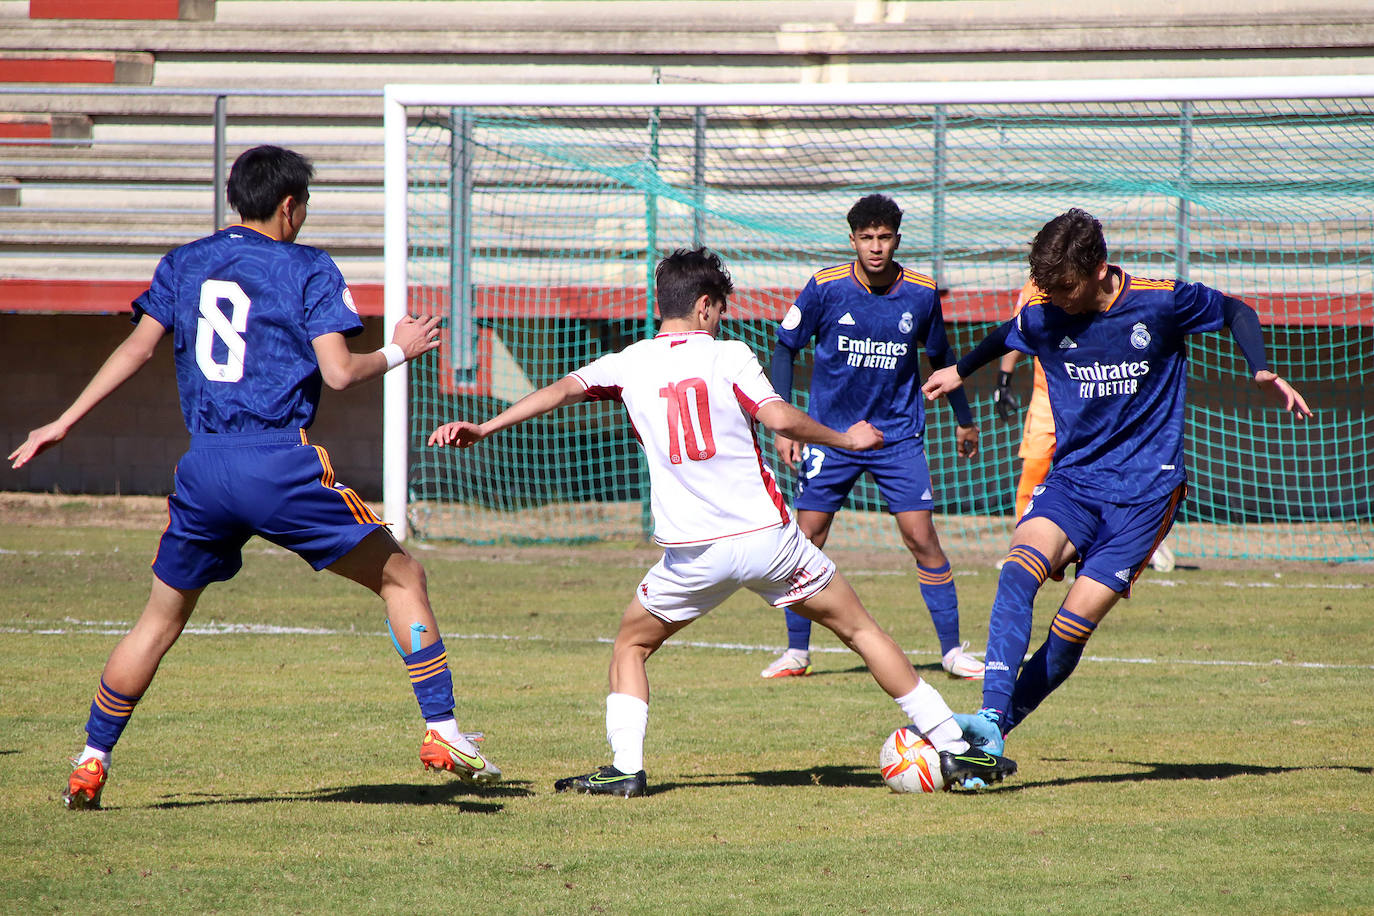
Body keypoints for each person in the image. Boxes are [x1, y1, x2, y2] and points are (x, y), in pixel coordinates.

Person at [9, 145, 500, 810]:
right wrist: (398, 349)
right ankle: (443, 731)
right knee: (403, 576)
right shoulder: (307, 266)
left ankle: (90, 761)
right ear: (291, 206)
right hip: (277, 461)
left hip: (205, 466)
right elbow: (339, 373)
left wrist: (62, 421)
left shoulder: (184, 262)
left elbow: (135, 347)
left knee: (158, 622)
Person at [429, 247, 1017, 797]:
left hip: (695, 554)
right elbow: (779, 416)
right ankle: (952, 743)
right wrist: (845, 437)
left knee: (631, 645)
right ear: (706, 306)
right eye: (720, 309)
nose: (720, 318)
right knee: (862, 631)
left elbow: (561, 389)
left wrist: (485, 427)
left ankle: (626, 770)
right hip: (770, 542)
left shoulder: (628, 363)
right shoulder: (730, 354)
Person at [922, 208, 1311, 755]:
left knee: (1067, 633)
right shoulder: (1045, 313)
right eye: (1046, 286)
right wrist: (960, 371)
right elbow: (1006, 333)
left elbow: (1234, 309)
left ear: (1098, 268)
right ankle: (988, 712)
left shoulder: (1160, 300)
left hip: (1145, 498)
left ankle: (993, 734)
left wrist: (1260, 366)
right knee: (1016, 572)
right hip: (1074, 482)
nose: (1053, 297)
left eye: (1064, 286)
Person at [761, 194, 985, 682]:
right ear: (853, 240)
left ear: (897, 239)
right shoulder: (825, 288)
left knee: (921, 537)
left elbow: (941, 356)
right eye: (867, 238)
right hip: (833, 436)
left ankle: (952, 652)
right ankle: (796, 653)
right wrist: (783, 421)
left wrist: (963, 418)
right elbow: (784, 348)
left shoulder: (922, 293)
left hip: (897, 437)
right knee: (805, 539)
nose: (876, 247)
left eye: (885, 238)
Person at [994, 279, 1176, 572]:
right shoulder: (1032, 290)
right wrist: (1004, 379)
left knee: (1110, 469)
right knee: (1034, 469)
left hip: (1088, 395)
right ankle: (1026, 547)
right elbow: (1017, 331)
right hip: (1046, 396)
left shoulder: (1093, 284)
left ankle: (1136, 537)